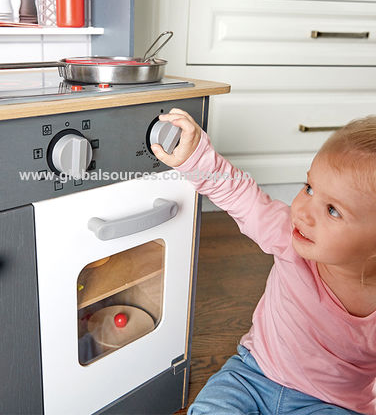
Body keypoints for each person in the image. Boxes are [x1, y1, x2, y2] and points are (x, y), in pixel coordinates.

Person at [151, 109, 376, 415]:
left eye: (333, 210)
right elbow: (241, 194)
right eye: (309, 188)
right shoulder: (289, 237)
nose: (303, 211)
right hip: (252, 375)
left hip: (331, 404)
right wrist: (194, 156)